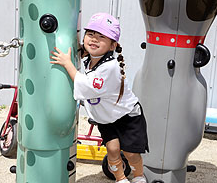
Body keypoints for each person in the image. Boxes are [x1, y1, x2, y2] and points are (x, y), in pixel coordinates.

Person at [50, 13, 149, 183]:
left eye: (101, 37)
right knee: (112, 149)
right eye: (90, 34)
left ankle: (139, 177)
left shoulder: (110, 67)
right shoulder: (90, 59)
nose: (94, 40)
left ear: (112, 46)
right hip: (105, 117)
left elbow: (87, 86)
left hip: (127, 115)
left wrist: (68, 64)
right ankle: (121, 179)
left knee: (131, 153)